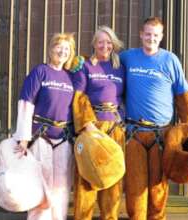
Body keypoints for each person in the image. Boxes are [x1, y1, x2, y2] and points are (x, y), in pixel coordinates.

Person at [119, 17, 188, 220]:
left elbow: (184, 98)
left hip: (161, 135)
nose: (151, 38)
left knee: (158, 190)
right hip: (133, 135)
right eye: (147, 34)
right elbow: (101, 63)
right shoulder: (127, 58)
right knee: (135, 190)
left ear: (161, 36)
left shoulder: (170, 60)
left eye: (155, 35)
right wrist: (79, 63)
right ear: (141, 34)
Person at [13, 33, 77, 220]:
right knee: (41, 185)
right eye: (59, 47)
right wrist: (24, 138)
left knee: (61, 187)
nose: (62, 51)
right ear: (51, 49)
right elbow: (26, 104)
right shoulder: (39, 72)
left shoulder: (70, 76)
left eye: (67, 49)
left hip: (63, 139)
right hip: (41, 137)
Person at [72, 25, 125, 220]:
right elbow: (79, 97)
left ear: (114, 44)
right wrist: (88, 125)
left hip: (114, 130)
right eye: (101, 42)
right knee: (86, 181)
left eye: (109, 42)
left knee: (113, 181)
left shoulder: (120, 66)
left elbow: (126, 96)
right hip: (92, 129)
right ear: (94, 43)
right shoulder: (85, 65)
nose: (105, 46)